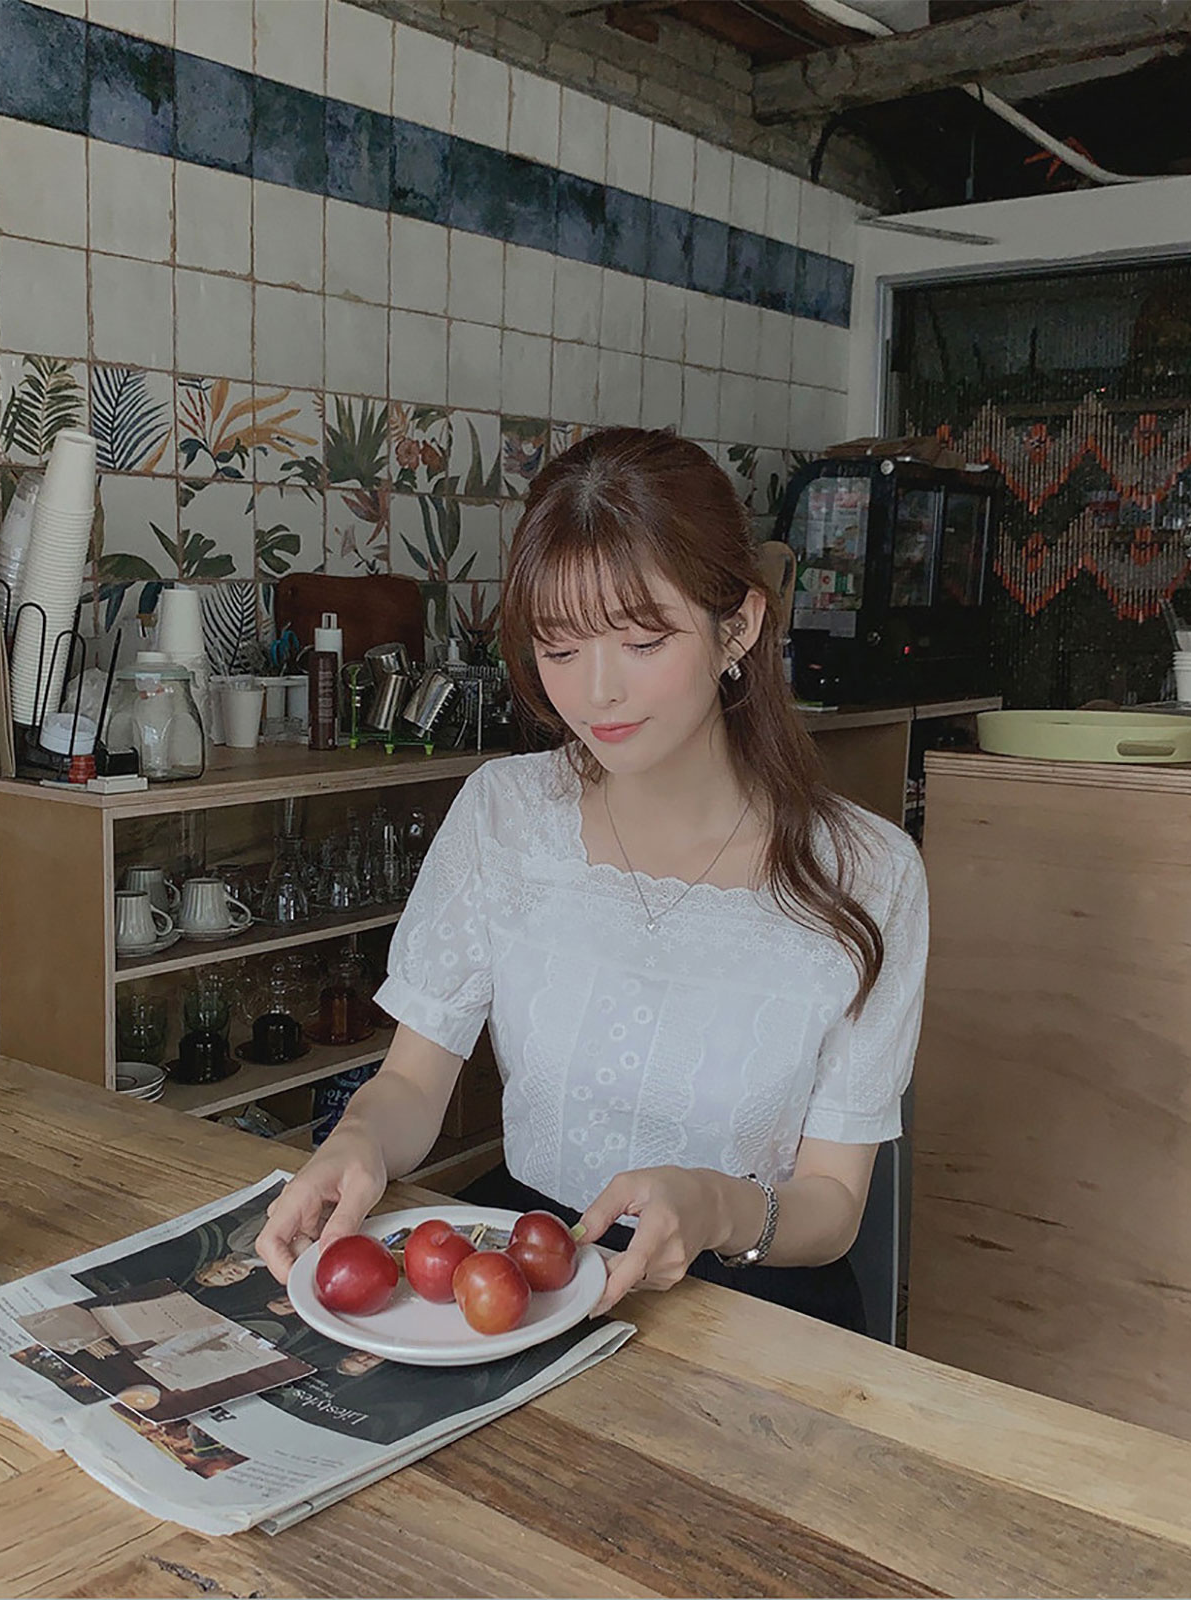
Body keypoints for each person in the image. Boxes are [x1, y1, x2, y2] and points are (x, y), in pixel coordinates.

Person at [255, 428, 928, 1333]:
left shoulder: (869, 875)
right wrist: (357, 1145)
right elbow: (413, 1081)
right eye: (561, 649)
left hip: (754, 1308)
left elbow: (834, 1207)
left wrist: (715, 1206)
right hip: (531, 1275)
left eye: (642, 641)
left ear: (738, 625)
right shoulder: (504, 815)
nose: (595, 693)